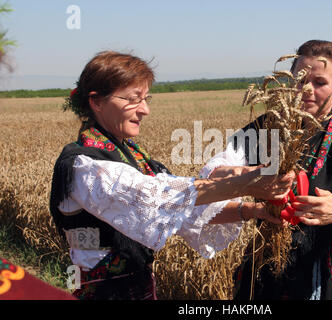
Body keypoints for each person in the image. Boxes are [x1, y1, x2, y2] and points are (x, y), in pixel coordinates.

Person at [49, 51, 295, 300]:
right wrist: (245, 184)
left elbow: (183, 209)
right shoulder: (86, 166)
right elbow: (160, 199)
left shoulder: (131, 155)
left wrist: (253, 210)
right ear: (97, 102)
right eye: (134, 99)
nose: (144, 110)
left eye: (146, 98)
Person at [205, 40, 332, 300]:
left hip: (327, 274)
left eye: (320, 82)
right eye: (299, 79)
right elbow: (213, 173)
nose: (306, 90)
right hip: (265, 266)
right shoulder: (263, 130)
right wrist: (249, 179)